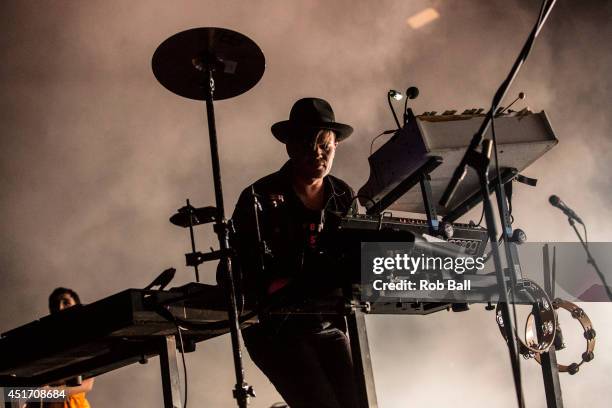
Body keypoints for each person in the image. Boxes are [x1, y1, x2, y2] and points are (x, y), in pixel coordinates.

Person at [226, 98, 359, 408]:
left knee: (360, 401)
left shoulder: (343, 195)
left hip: (327, 324)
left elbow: (354, 256)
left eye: (325, 146)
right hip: (277, 328)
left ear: (336, 145)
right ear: (290, 148)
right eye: (309, 146)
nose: (318, 154)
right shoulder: (258, 196)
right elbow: (233, 269)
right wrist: (270, 286)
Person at [42, 288, 95, 408]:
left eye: (66, 302)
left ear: (77, 306)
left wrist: (49, 393)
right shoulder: (46, 341)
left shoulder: (86, 338)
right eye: (55, 305)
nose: (60, 308)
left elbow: (87, 385)